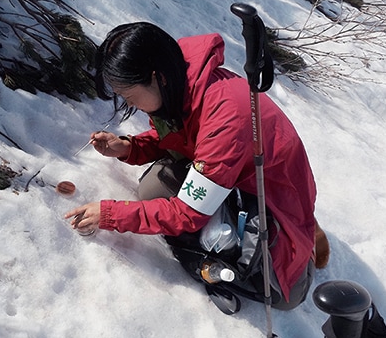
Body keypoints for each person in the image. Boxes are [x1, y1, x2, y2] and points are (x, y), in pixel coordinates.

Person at [64, 22, 329, 313]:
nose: (132, 105)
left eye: (130, 96)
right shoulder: (181, 83)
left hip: (276, 200)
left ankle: (303, 241)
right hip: (234, 173)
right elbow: (180, 136)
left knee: (283, 297)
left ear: (157, 78)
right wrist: (129, 147)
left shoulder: (224, 115)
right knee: (153, 189)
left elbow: (187, 213)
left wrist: (110, 214)